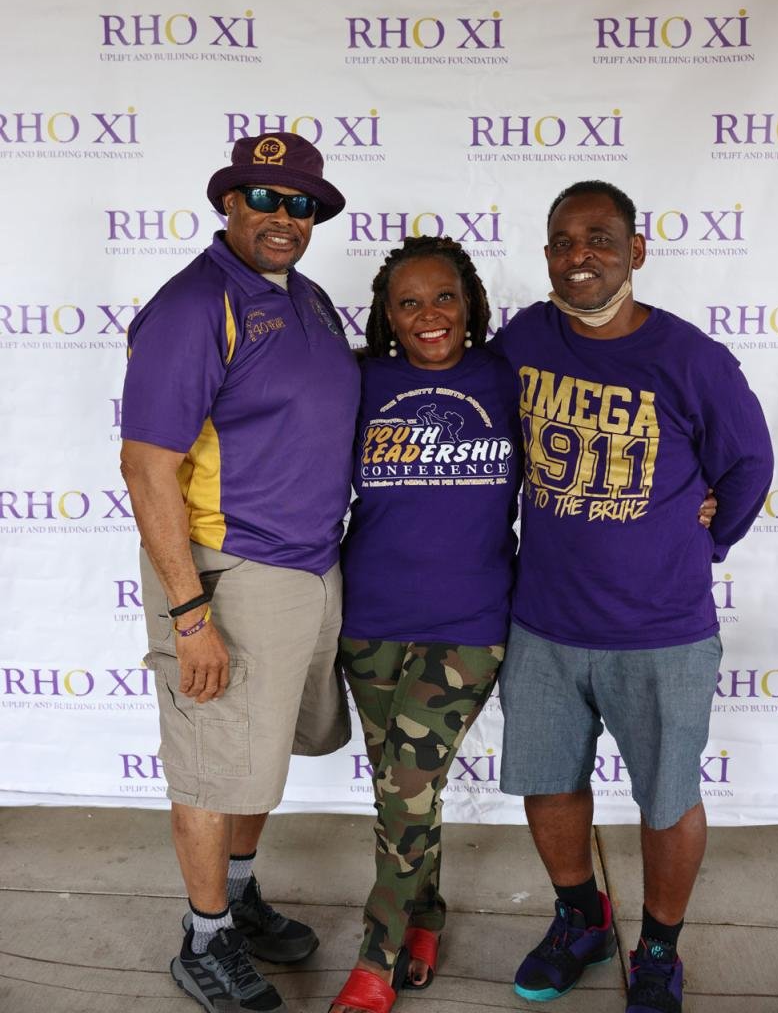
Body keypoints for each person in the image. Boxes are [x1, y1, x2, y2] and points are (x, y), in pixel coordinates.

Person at [493, 180, 773, 1013]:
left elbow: (748, 464)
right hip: (543, 622)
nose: (578, 256)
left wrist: (705, 539)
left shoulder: (691, 358)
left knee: (667, 797)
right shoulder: (524, 338)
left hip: (661, 629)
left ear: (635, 251)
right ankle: (580, 919)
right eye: (562, 241)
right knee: (548, 784)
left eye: (599, 239)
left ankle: (656, 949)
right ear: (547, 255)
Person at [120, 132, 361, 1013]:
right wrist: (190, 615)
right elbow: (146, 467)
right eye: (263, 198)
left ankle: (239, 893)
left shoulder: (309, 297)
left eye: (300, 204)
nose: (282, 217)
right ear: (229, 203)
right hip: (228, 571)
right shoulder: (196, 305)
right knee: (210, 765)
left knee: (256, 761)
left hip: (310, 565)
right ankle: (203, 938)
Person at [329, 236, 522, 1013]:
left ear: (469, 302)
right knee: (402, 793)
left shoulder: (508, 377)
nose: (428, 315)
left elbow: (588, 450)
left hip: (469, 622)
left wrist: (692, 496)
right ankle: (425, 917)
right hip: (369, 618)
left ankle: (375, 958)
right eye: (407, 303)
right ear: (387, 315)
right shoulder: (358, 380)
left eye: (443, 296)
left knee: (405, 788)